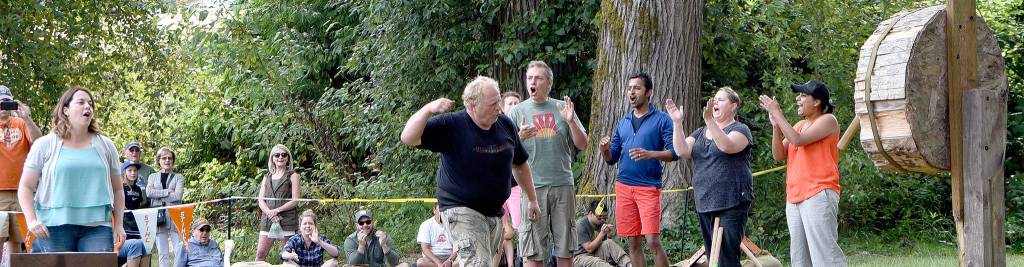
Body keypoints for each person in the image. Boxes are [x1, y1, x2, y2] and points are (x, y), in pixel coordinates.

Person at [400, 76, 541, 266]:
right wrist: (428, 109)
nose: (499, 108)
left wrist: (532, 199)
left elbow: (520, 164)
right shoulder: (452, 125)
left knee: (482, 262)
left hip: (494, 214)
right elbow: (408, 137)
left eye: (499, 101)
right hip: (461, 210)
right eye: (493, 104)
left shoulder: (505, 125)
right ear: (473, 106)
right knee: (478, 263)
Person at [18, 86, 126, 252]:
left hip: (98, 227)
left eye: (90, 103)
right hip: (53, 227)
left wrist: (119, 225)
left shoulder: (106, 145)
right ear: (66, 110)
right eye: (81, 102)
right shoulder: (44, 144)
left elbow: (118, 189)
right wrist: (31, 221)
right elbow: (25, 187)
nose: (88, 107)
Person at [507, 60, 588, 267]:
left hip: (563, 185)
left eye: (538, 78)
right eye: (529, 78)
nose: (532, 82)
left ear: (549, 83)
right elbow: (504, 150)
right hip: (532, 189)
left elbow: (583, 144)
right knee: (533, 251)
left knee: (565, 248)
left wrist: (570, 121)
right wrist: (519, 137)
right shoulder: (517, 112)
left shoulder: (562, 108)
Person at [759, 80, 846, 267]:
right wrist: (776, 126)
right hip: (795, 197)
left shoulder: (828, 120)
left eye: (803, 95)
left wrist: (778, 114)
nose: (798, 98)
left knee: (825, 256)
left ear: (817, 102)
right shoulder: (798, 125)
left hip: (818, 193)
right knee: (799, 259)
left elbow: (797, 141)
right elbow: (778, 155)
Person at [666, 87, 753, 267]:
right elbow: (682, 151)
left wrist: (709, 120)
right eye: (715, 98)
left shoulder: (740, 129)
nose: (715, 102)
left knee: (727, 258)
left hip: (732, 201)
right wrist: (677, 123)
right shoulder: (699, 133)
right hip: (705, 202)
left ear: (733, 106)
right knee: (712, 255)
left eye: (721, 100)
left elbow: (726, 146)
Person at [599, 73, 676, 267]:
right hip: (624, 188)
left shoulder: (662, 119)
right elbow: (611, 159)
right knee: (633, 243)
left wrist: (650, 154)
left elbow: (674, 152)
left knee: (652, 242)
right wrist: (605, 151)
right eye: (629, 88)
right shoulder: (623, 121)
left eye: (637, 88)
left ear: (648, 92)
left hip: (648, 188)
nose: (631, 92)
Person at [0, 85, 41, 259]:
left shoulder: (21, 123)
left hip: (21, 191)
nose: (3, 107)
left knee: (17, 239)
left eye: (7, 102)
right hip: (0, 190)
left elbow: (39, 141)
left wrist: (27, 118)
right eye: (0, 103)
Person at [256, 144, 302, 261]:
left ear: (288, 158)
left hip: (287, 220)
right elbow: (261, 199)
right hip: (267, 220)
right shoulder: (266, 177)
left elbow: (295, 200)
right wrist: (269, 213)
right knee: (260, 255)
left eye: (283, 155)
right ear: (272, 158)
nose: (280, 157)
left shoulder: (293, 175)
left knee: (288, 256)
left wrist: (277, 210)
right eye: (277, 155)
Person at [148, 147, 185, 267]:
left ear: (173, 161)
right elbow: (149, 193)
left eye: (170, 158)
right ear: (159, 160)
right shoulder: (152, 177)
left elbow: (177, 196)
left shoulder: (178, 177)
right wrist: (167, 191)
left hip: (174, 217)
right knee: (162, 253)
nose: (167, 160)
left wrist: (158, 194)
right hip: (159, 218)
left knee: (178, 250)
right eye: (164, 158)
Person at [573, 200, 631, 267]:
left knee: (609, 243)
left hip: (593, 254)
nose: (602, 220)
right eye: (599, 217)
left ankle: (629, 264)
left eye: (604, 217)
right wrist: (602, 233)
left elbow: (604, 245)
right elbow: (589, 249)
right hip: (579, 257)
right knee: (597, 262)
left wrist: (609, 236)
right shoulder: (580, 225)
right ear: (591, 213)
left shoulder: (600, 223)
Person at [343, 210, 408, 267]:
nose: (365, 225)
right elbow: (352, 264)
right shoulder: (350, 240)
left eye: (368, 222)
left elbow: (395, 262)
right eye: (361, 223)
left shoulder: (383, 236)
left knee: (404, 265)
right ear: (357, 225)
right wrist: (361, 247)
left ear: (373, 223)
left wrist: (384, 245)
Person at [122, 161, 150, 240]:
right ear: (124, 172)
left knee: (137, 240)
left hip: (136, 219)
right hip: (124, 220)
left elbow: (141, 202)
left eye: (135, 170)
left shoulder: (138, 188)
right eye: (130, 170)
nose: (133, 173)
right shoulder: (121, 187)